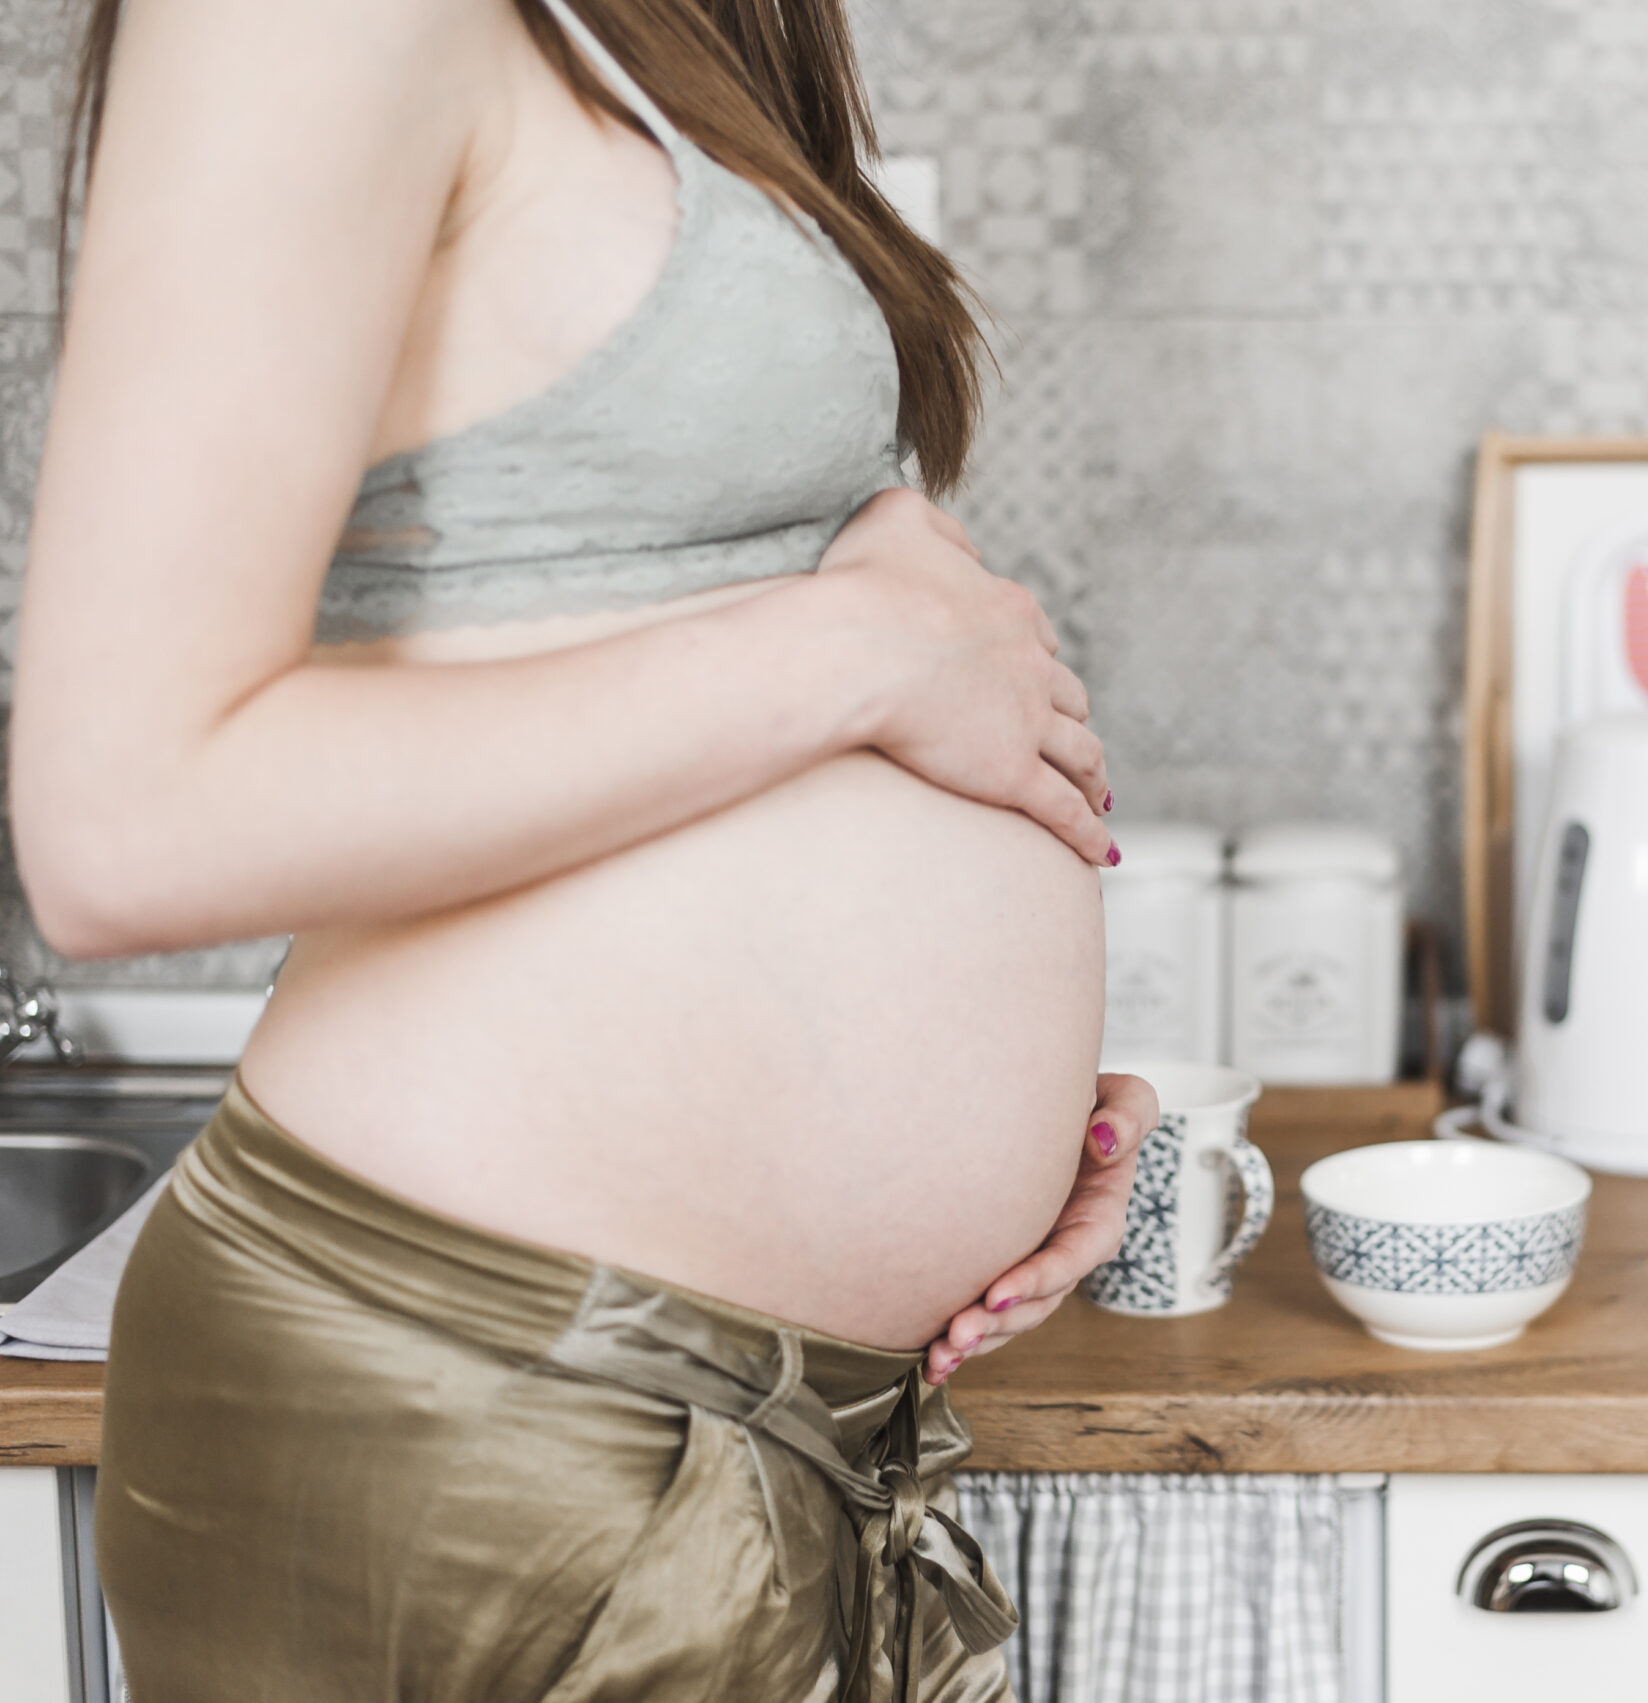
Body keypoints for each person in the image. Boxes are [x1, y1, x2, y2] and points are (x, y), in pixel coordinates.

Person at [6, 0, 1156, 1695]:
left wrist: (969, 1108)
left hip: (786, 1414)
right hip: (481, 1392)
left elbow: (620, 594)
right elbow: (127, 823)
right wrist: (860, 656)